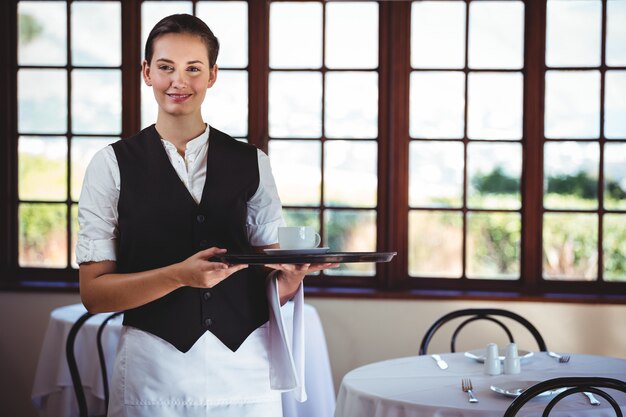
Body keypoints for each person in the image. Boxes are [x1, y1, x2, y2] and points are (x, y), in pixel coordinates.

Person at [76, 13, 337, 417]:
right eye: (166, 67)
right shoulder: (110, 166)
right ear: (147, 72)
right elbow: (94, 295)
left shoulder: (253, 162)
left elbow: (270, 280)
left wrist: (290, 277)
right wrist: (178, 275)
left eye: (193, 69)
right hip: (154, 370)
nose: (178, 81)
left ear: (212, 75)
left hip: (246, 370)